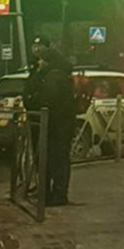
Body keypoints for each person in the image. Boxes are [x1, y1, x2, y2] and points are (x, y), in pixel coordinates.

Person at [23, 35, 76, 206]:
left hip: (56, 125)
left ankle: (58, 195)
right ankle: (46, 192)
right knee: (47, 159)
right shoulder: (47, 73)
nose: (36, 52)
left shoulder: (55, 75)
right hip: (51, 124)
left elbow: (46, 99)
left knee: (57, 160)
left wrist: (32, 99)